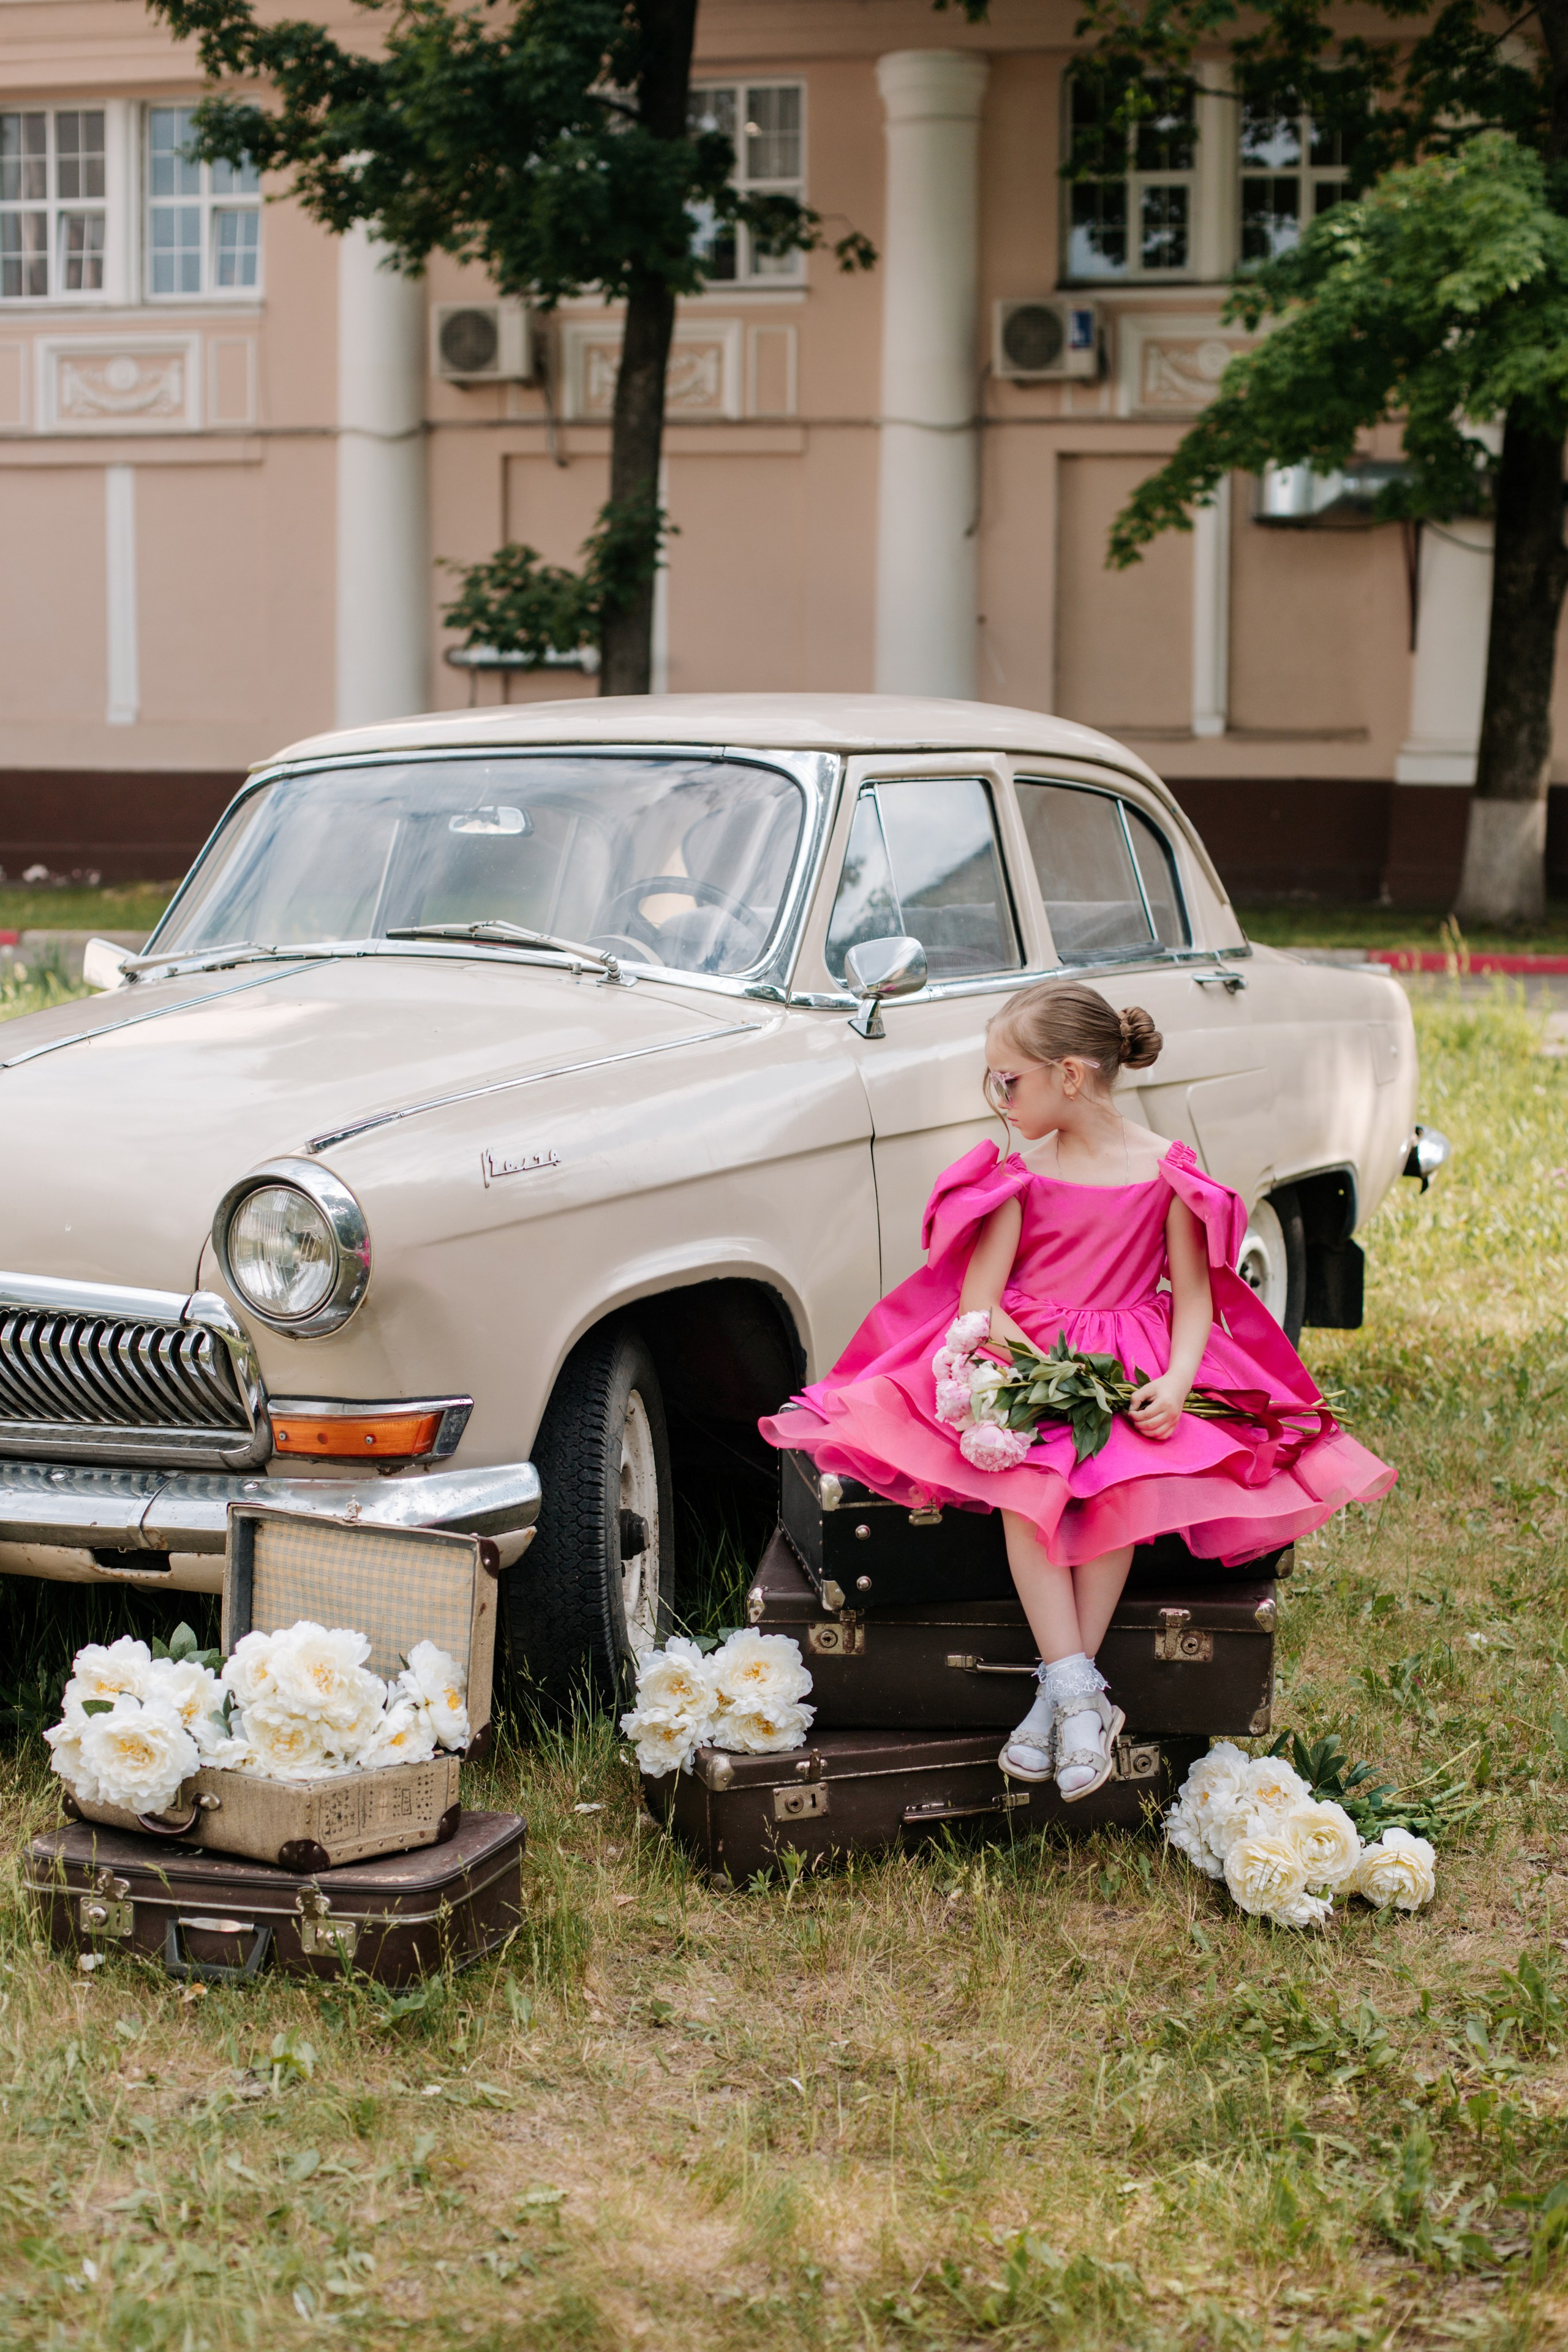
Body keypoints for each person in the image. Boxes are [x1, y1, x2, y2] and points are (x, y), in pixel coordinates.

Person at [760, 978, 1395, 1801]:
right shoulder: (1021, 1177)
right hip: (1028, 1363)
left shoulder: (1167, 1173)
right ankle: (1076, 1693)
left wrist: (1171, 1379)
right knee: (1032, 1489)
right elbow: (980, 1306)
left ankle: (1058, 1702)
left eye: (1008, 1080)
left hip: (1133, 1363)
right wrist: (1030, 1373)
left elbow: (1194, 1294)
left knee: (1119, 1489)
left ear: (1068, 1074)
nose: (997, 1100)